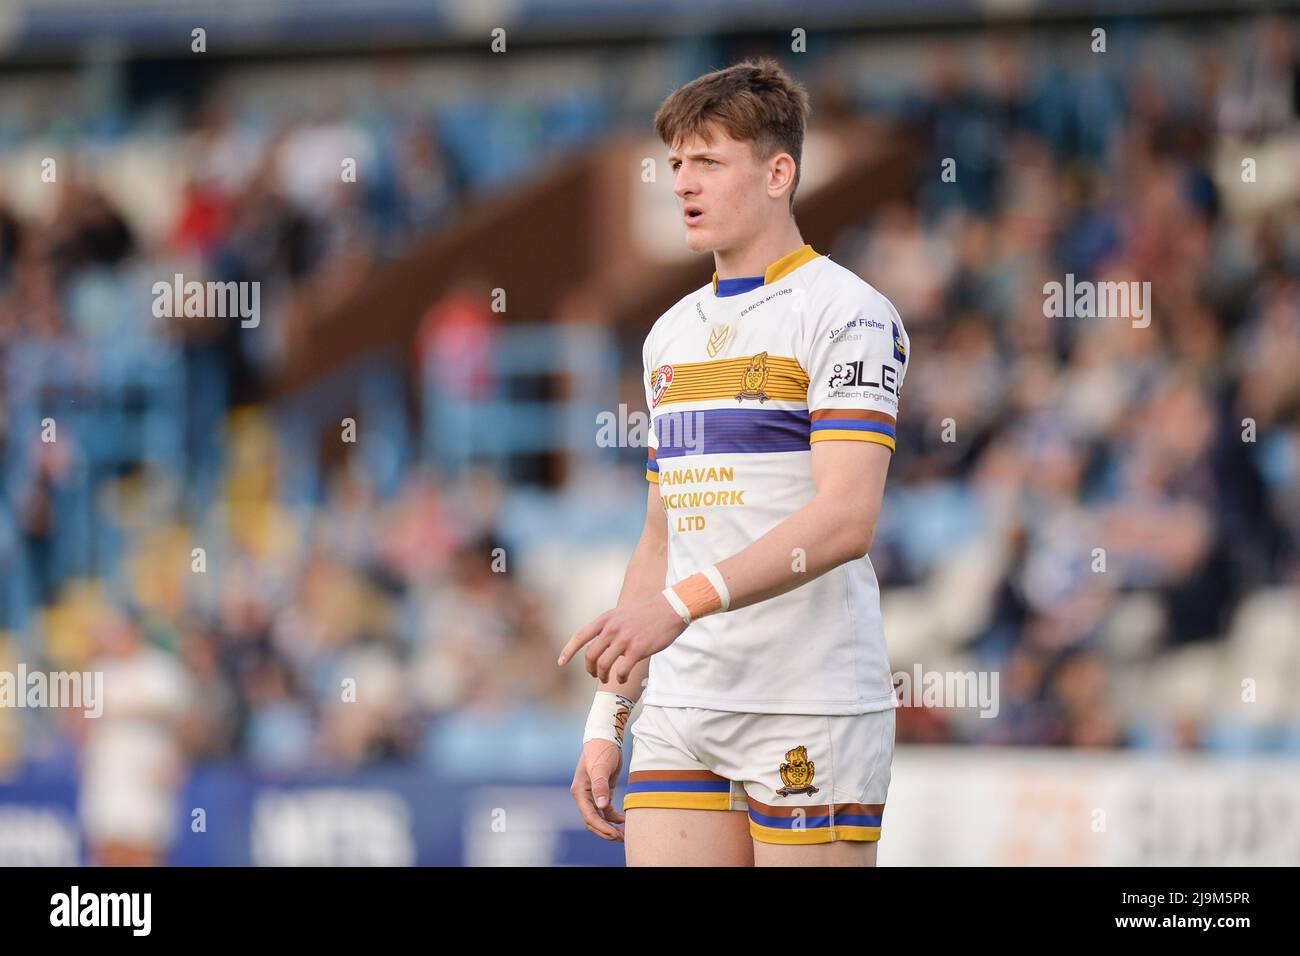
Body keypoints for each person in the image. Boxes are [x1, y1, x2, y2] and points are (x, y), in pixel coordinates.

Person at [558, 59, 911, 866]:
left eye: (709, 161)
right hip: (686, 701)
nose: (683, 181)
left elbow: (847, 518)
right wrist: (609, 718)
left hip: (808, 699)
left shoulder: (847, 312)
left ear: (778, 172)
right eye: (676, 162)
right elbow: (661, 534)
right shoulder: (668, 334)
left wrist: (678, 608)